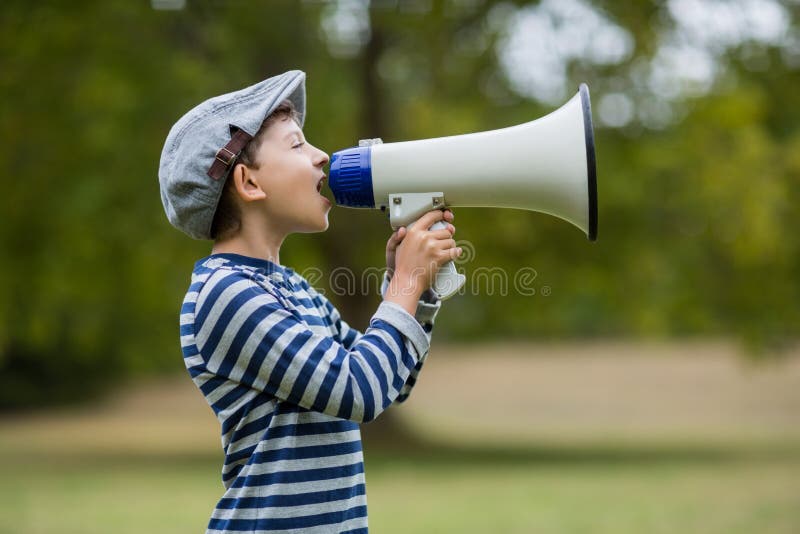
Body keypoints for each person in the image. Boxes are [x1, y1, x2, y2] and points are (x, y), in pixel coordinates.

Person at [158, 70, 461, 533]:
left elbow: (390, 383)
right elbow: (359, 391)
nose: (322, 156)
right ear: (249, 183)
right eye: (297, 144)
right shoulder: (224, 294)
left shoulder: (295, 290)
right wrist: (405, 282)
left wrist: (417, 290)